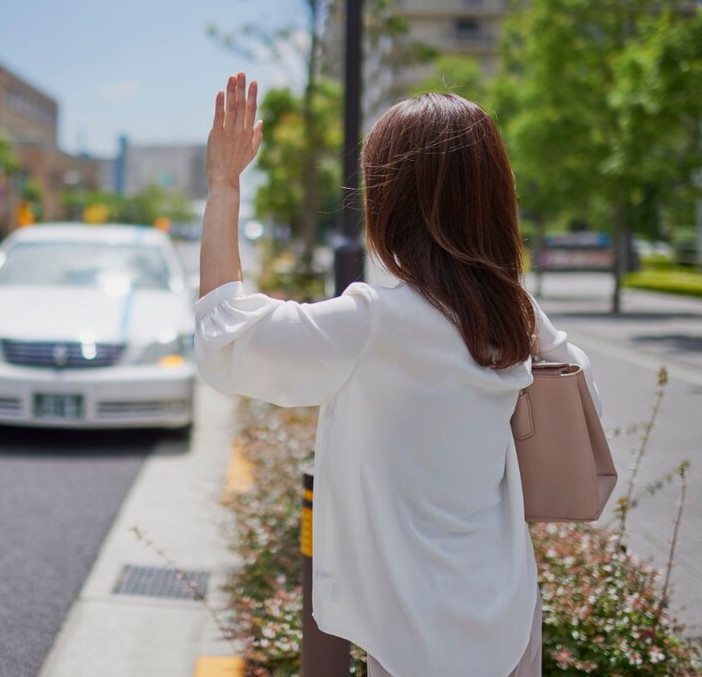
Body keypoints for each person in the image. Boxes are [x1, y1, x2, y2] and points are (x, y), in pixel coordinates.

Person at [194, 74, 603, 677]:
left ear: (394, 203)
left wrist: (224, 186)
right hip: (509, 617)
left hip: (416, 634)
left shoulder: (374, 323)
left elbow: (225, 339)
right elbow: (581, 391)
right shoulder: (514, 312)